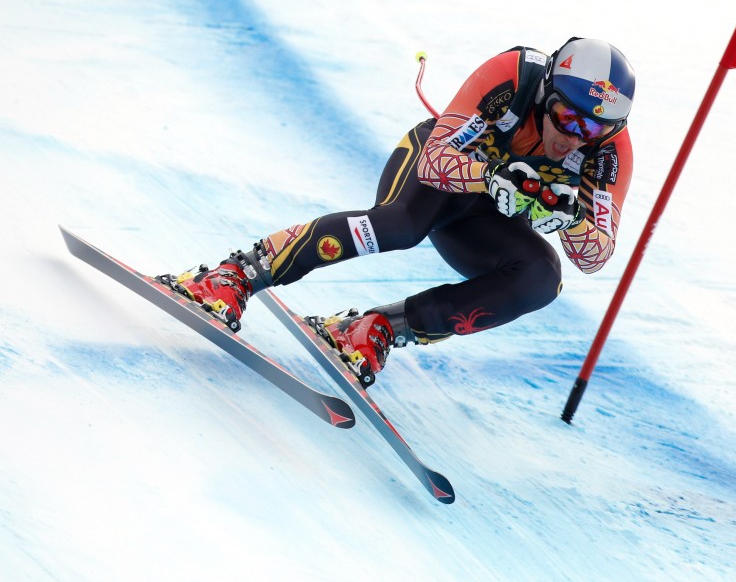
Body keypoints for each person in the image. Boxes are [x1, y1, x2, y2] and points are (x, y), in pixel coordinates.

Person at [165, 37, 635, 386]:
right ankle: (236, 274)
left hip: (484, 221)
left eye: (596, 127)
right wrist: (492, 177)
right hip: (440, 178)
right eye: (567, 116)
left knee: (542, 277)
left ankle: (377, 328)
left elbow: (595, 256)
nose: (575, 136)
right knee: (399, 226)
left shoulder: (608, 151)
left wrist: (572, 221)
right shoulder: (514, 75)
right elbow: (435, 161)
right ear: (545, 90)